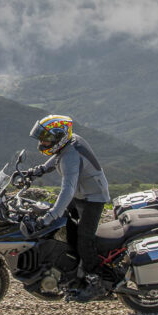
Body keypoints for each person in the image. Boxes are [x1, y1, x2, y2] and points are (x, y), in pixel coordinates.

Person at [23, 114, 111, 302]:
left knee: (84, 240)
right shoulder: (69, 143)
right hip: (82, 194)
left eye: (46, 138)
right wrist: (39, 170)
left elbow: (67, 190)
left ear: (59, 137)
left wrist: (50, 216)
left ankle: (97, 282)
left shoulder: (71, 155)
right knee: (66, 227)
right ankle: (72, 267)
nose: (42, 142)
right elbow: (57, 158)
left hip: (92, 198)